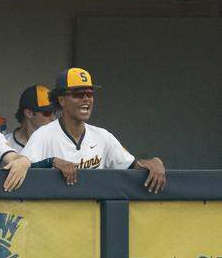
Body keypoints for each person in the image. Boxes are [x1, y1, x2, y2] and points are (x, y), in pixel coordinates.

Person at [22, 68, 165, 192]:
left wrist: (154, 162)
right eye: (78, 94)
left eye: (89, 94)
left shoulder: (103, 136)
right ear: (61, 100)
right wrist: (51, 162)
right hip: (55, 217)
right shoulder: (43, 135)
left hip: (92, 217)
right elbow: (21, 169)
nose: (86, 99)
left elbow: (132, 168)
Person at [5, 84, 55, 150]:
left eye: (54, 113)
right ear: (29, 113)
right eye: (47, 113)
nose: (53, 118)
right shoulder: (4, 144)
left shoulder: (55, 144)